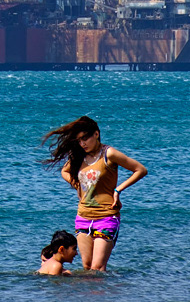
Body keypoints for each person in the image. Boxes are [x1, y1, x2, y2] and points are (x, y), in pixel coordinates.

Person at [42, 115, 147, 272]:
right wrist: (77, 184)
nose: (82, 143)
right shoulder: (79, 155)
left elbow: (140, 170)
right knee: (86, 267)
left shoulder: (109, 154)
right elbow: (65, 171)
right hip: (83, 217)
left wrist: (118, 190)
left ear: (96, 134)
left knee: (97, 268)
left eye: (85, 138)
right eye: (79, 140)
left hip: (106, 216)